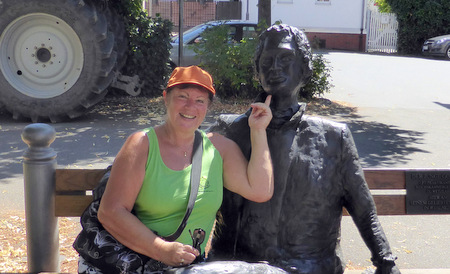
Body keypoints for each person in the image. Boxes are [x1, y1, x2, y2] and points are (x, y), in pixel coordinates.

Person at [208, 24, 400, 274]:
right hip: (236, 267)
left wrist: (385, 262)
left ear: (306, 69)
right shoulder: (227, 131)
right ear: (257, 71)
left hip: (310, 268)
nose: (275, 67)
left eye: (286, 58)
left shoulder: (334, 138)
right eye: (267, 60)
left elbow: (364, 210)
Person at [78, 66, 274, 273]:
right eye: (183, 96)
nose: (191, 106)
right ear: (166, 97)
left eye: (200, 100)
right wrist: (162, 250)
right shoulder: (142, 144)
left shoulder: (219, 148)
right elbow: (111, 212)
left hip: (186, 267)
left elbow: (260, 190)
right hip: (132, 262)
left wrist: (258, 131)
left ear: (208, 106)